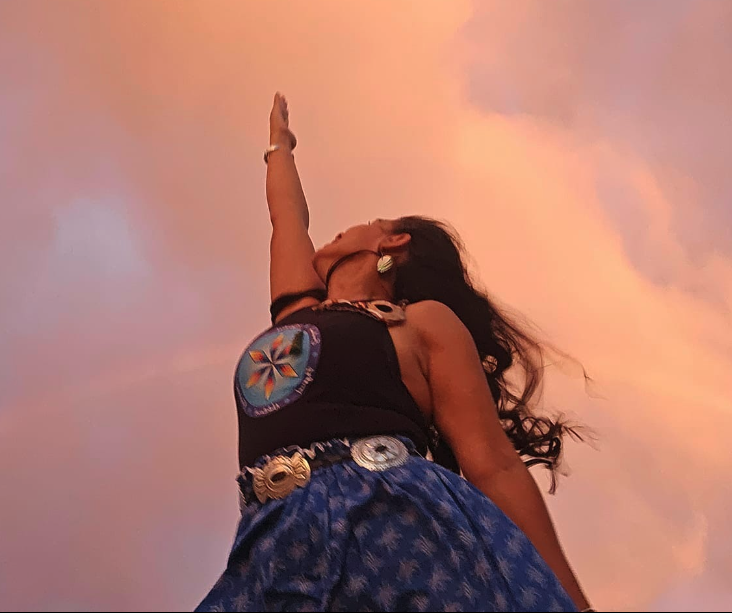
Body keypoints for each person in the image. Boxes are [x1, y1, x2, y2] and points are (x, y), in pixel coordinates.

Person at [195, 93, 592, 612]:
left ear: (393, 244)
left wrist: (570, 601)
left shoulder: (420, 321)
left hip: (395, 520)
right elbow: (286, 216)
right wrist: (280, 146)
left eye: (367, 222)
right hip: (274, 541)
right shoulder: (298, 314)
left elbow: (492, 465)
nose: (343, 229)